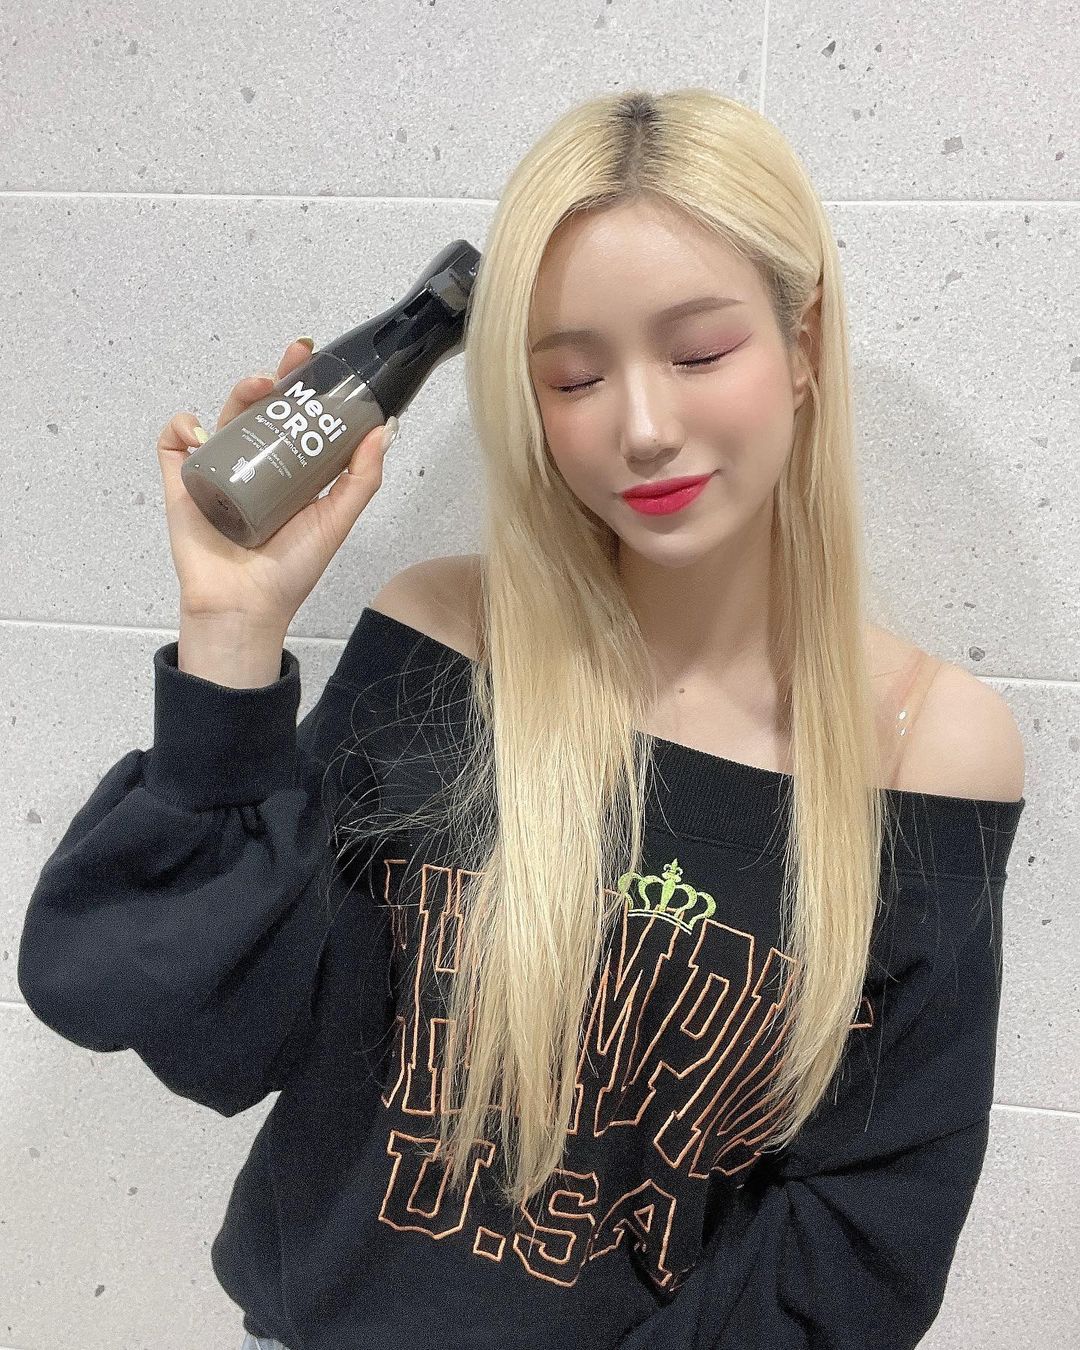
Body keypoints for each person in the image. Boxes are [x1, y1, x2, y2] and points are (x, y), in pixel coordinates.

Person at [17, 87, 1025, 1350]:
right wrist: (230, 636)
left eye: (699, 354)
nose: (643, 428)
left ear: (804, 343)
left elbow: (858, 1243)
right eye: (575, 375)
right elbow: (187, 1020)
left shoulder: (926, 752)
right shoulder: (442, 641)